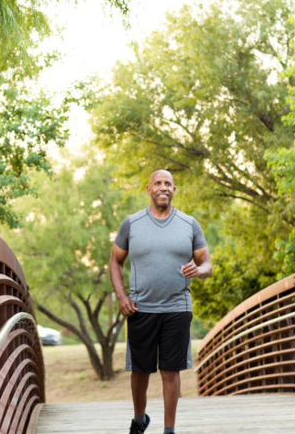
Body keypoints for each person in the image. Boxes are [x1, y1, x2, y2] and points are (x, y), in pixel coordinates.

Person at [109, 170, 212, 434]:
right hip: (140, 309)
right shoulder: (132, 224)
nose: (163, 188)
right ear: (149, 189)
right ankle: (139, 418)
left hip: (178, 307)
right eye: (158, 183)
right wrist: (122, 296)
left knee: (170, 370)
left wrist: (198, 271)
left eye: (168, 184)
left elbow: (206, 264)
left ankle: (169, 430)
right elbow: (115, 261)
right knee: (140, 371)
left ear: (174, 190)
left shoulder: (189, 224)